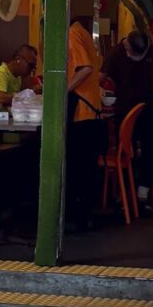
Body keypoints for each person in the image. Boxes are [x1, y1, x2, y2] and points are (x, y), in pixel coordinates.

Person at [101, 30, 153, 215]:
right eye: (134, 54)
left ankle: (142, 195)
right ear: (127, 46)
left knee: (151, 151)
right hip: (125, 110)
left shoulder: (149, 51)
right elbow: (101, 79)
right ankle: (125, 196)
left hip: (149, 107)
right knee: (127, 154)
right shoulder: (115, 54)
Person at [66, 19, 107, 231]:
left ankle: (78, 218)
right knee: (87, 168)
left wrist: (62, 91)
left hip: (81, 111)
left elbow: (85, 68)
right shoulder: (83, 32)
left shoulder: (72, 33)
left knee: (78, 167)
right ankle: (85, 216)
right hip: (91, 109)